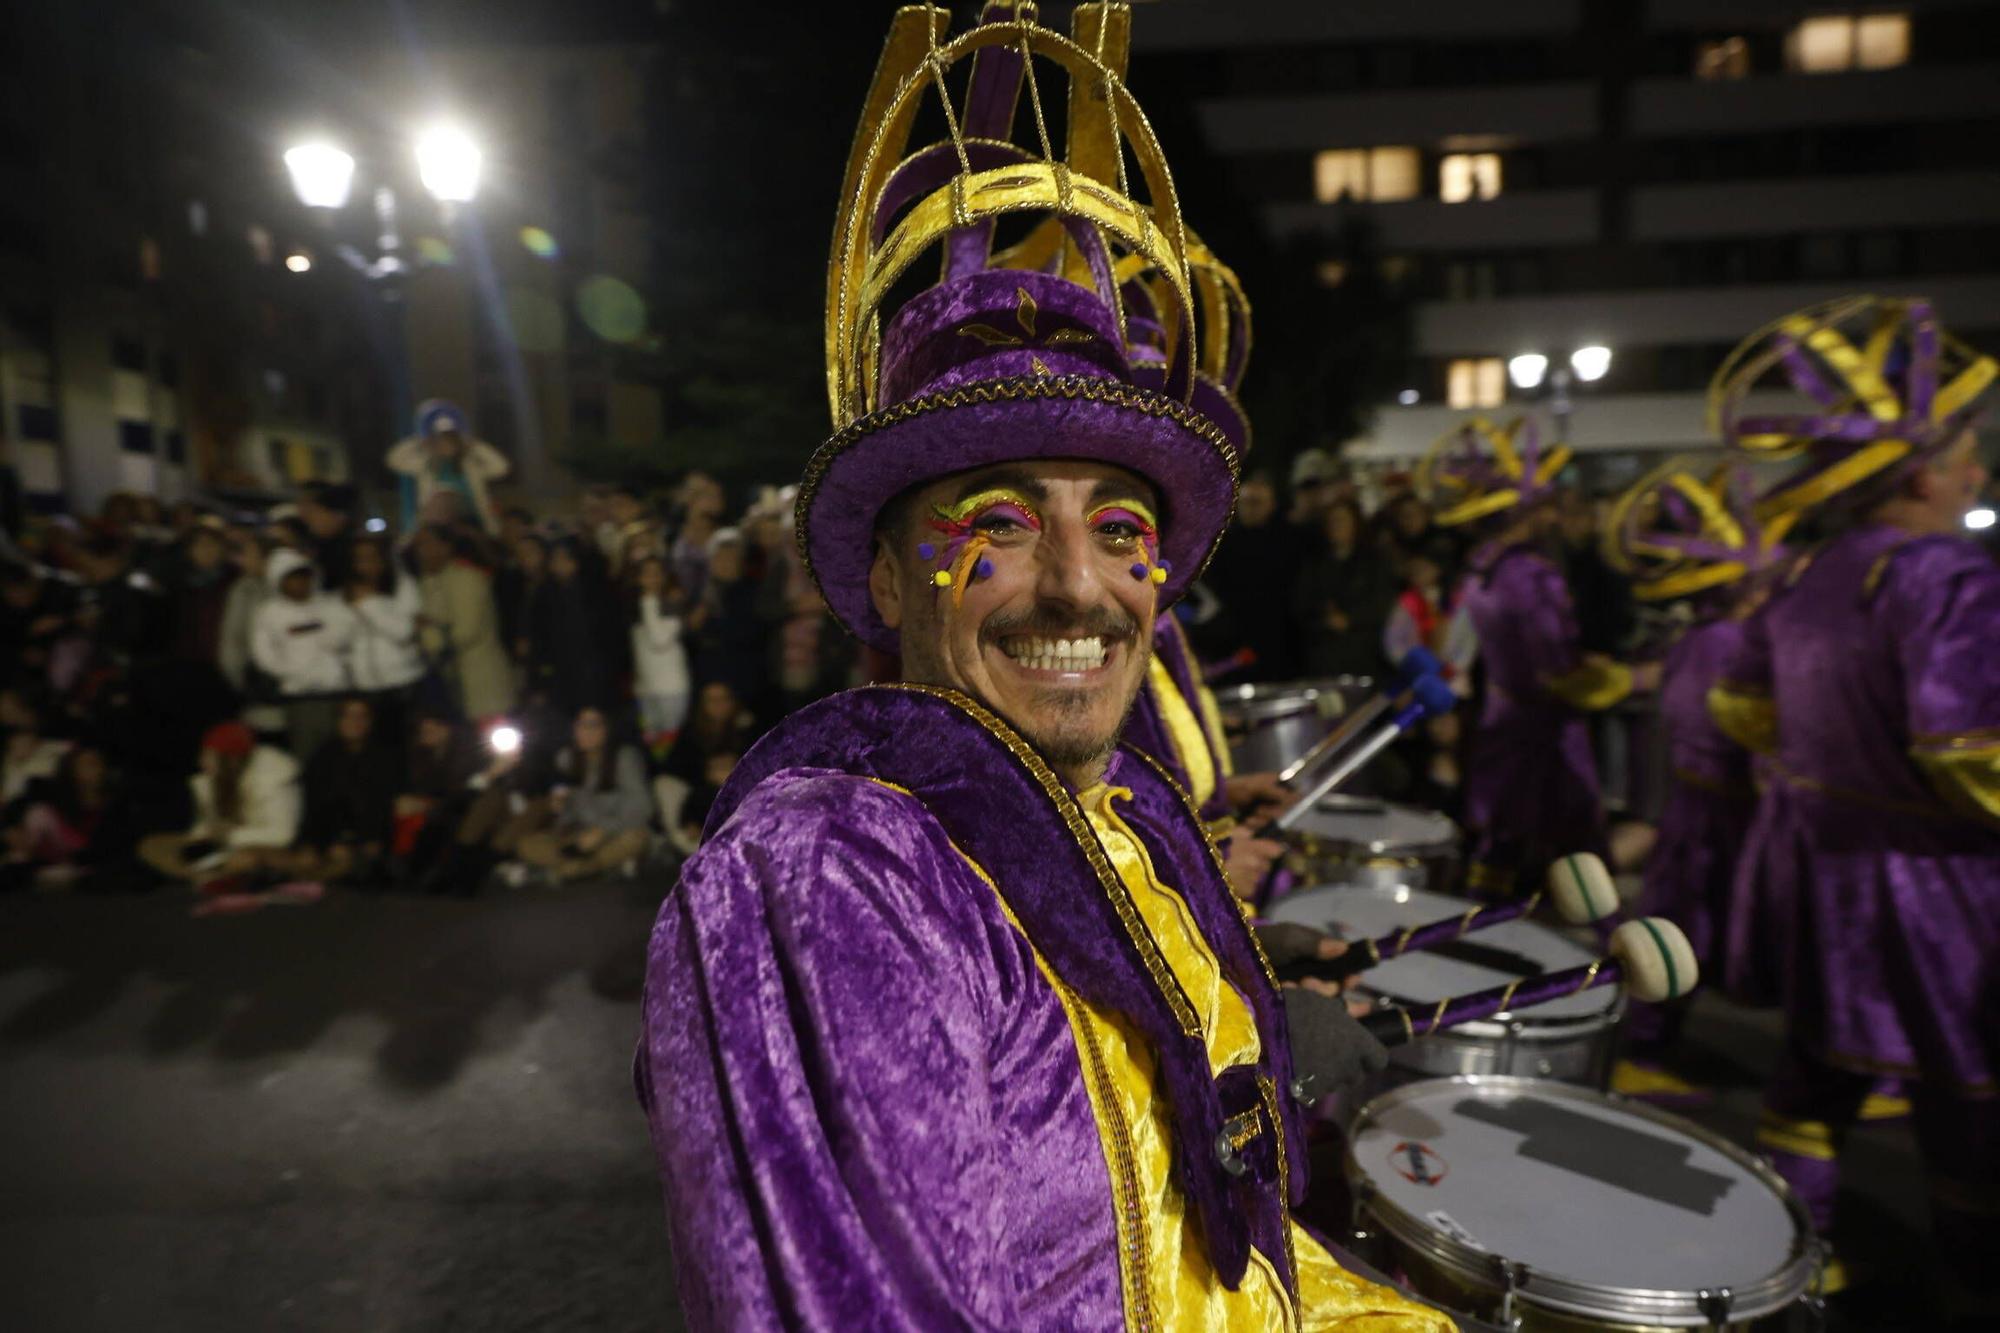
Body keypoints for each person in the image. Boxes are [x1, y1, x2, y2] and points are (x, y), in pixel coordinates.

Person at [638, 10, 1446, 1329]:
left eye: (1120, 531)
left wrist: (1260, 992)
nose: (1079, 584)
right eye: (998, 526)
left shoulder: (1117, 812)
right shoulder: (841, 874)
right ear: (892, 580)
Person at [1704, 296, 2000, 1303]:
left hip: (1823, 868)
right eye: (1967, 453)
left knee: (1811, 1080)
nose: (1978, 472)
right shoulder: (1946, 575)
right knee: (1964, 1092)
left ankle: (1794, 1271)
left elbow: (1737, 703)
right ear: (1921, 471)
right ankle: (1972, 1286)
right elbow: (1966, 745)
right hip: (1938, 889)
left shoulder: (1810, 566)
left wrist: (1834, 764)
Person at [1597, 462, 1785, 1103]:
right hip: (1712, 809)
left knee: (1691, 918)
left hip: (1707, 806)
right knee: (1686, 920)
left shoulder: (1710, 634)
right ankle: (1642, 1043)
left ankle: (1648, 1035)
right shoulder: (1724, 640)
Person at [1418, 416, 1656, 896]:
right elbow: (1555, 669)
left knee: (1499, 838)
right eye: (1546, 506)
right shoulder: (1532, 573)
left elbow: (1461, 645)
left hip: (1498, 718)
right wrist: (1627, 680)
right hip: (1542, 731)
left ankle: (1483, 925)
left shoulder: (1481, 565)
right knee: (1569, 845)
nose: (1553, 516)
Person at [137, 721, 300, 889]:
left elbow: (283, 834)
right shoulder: (209, 782)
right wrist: (201, 836)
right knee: (152, 845)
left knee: (247, 859)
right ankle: (208, 875)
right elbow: (205, 824)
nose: (202, 762)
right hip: (221, 848)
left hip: (260, 848)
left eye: (210, 756)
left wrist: (230, 836)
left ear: (230, 760)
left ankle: (214, 876)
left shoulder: (272, 779)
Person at [510, 705, 651, 884]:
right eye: (580, 725)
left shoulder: (624, 757)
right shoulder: (567, 758)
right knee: (526, 844)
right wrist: (559, 807)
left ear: (606, 729)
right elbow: (567, 810)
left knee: (635, 839)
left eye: (593, 725)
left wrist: (602, 831)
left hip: (617, 830)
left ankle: (576, 869)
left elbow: (641, 804)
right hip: (580, 835)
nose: (585, 732)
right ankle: (593, 867)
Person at [250, 548, 357, 760]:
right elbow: (264, 655)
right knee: (308, 756)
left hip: (338, 695)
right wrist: (294, 672)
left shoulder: (332, 604)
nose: (300, 584)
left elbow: (351, 636)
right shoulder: (269, 613)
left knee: (345, 756)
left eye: (304, 577)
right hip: (301, 698)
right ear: (279, 581)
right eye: (292, 579)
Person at [1200, 470, 1305, 680]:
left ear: (1272, 504)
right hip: (1233, 643)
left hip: (1280, 641)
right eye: (1247, 502)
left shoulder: (1290, 541)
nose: (1251, 508)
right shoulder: (1221, 544)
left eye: (1258, 502)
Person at [410, 524, 514, 722]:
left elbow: (465, 631)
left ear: (445, 547)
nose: (421, 551)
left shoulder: (467, 579)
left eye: (426, 544)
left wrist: (424, 635)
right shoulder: (428, 582)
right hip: (453, 681)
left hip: (481, 682)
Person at [1294, 498, 1397, 680]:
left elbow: (1382, 603)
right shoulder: (1313, 565)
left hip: (1364, 658)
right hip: (1324, 661)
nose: (1336, 527)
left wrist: (1350, 619)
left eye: (1341, 520)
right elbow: (1300, 606)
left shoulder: (1374, 562)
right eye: (1332, 521)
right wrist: (1324, 620)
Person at [342, 535, 425, 735]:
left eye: (371, 558)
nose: (365, 565)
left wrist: (368, 603)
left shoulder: (403, 586)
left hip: (400, 681)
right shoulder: (348, 590)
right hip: (363, 684)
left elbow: (403, 631)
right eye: (360, 559)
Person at [386, 400, 510, 533]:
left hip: (472, 524)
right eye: (440, 440)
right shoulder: (424, 465)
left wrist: (473, 444)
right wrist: (419, 440)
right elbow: (395, 460)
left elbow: (501, 467)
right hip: (437, 527)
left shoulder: (471, 465)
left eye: (450, 440)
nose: (445, 444)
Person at [627, 555, 692, 757]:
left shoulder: (671, 603)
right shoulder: (634, 607)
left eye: (656, 574)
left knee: (671, 751)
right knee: (651, 751)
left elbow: (658, 640)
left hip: (671, 689)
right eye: (646, 574)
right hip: (645, 691)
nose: (652, 579)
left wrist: (649, 599)